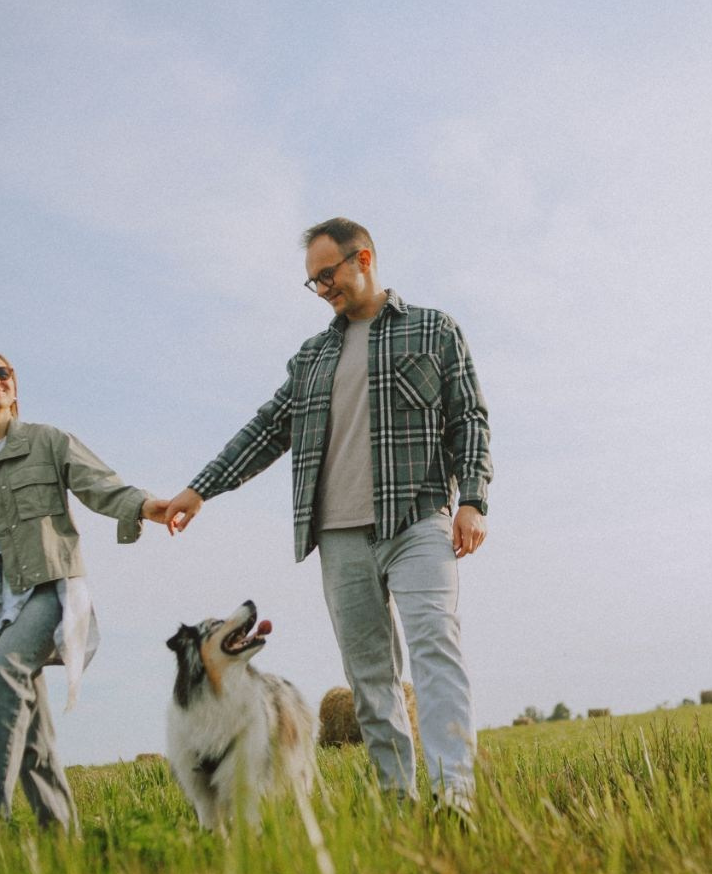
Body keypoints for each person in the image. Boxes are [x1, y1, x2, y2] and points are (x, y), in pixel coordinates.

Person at [165, 218, 492, 813]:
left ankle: (455, 799)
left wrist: (472, 498)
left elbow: (468, 418)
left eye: (327, 275)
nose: (322, 290)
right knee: (370, 679)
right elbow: (266, 430)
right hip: (339, 536)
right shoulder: (313, 356)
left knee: (436, 648)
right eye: (313, 283)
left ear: (362, 258)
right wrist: (200, 489)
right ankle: (400, 804)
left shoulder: (433, 330)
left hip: (419, 519)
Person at [0, 351, 170, 832]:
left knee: (2, 675)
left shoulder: (47, 441)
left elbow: (99, 483)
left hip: (48, 590)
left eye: (4, 373)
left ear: (15, 388)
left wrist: (144, 505)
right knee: (31, 737)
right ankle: (61, 835)